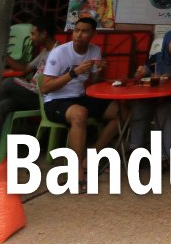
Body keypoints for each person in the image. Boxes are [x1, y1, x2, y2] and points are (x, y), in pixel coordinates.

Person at [41, 17, 121, 180]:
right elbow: (45, 87)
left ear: (93, 34)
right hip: (55, 101)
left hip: (80, 97)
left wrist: (99, 70)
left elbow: (94, 82)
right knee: (80, 114)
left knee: (121, 111)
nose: (79, 35)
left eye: (84, 31)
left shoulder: (94, 51)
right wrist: (73, 72)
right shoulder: (60, 52)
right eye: (76, 31)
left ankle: (90, 158)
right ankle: (76, 169)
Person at [129, 29, 171, 156]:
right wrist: (141, 72)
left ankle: (161, 155)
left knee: (162, 113)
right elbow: (143, 73)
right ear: (166, 43)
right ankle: (136, 149)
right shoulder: (157, 58)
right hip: (156, 97)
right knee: (139, 108)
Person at [0, 18, 58, 151]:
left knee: (8, 83)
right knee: (3, 106)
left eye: (33, 34)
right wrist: (5, 57)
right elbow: (25, 69)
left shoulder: (59, 52)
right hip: (32, 94)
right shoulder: (45, 52)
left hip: (45, 99)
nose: (31, 37)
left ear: (43, 34)